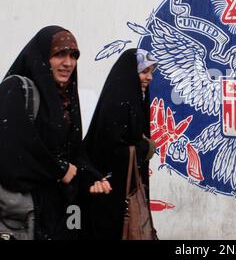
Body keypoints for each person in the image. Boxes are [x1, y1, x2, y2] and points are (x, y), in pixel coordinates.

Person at [0, 26, 111, 240]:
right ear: (42, 57)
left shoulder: (67, 102)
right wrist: (58, 169)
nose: (68, 63)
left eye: (73, 55)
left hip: (56, 216)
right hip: (20, 217)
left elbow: (72, 154)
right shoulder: (16, 89)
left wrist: (91, 177)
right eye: (59, 54)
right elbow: (11, 152)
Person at [82, 48, 157, 240]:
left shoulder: (133, 102)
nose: (149, 78)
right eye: (144, 71)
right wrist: (143, 148)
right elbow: (109, 149)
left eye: (151, 72)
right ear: (130, 73)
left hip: (123, 191)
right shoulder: (117, 104)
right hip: (108, 195)